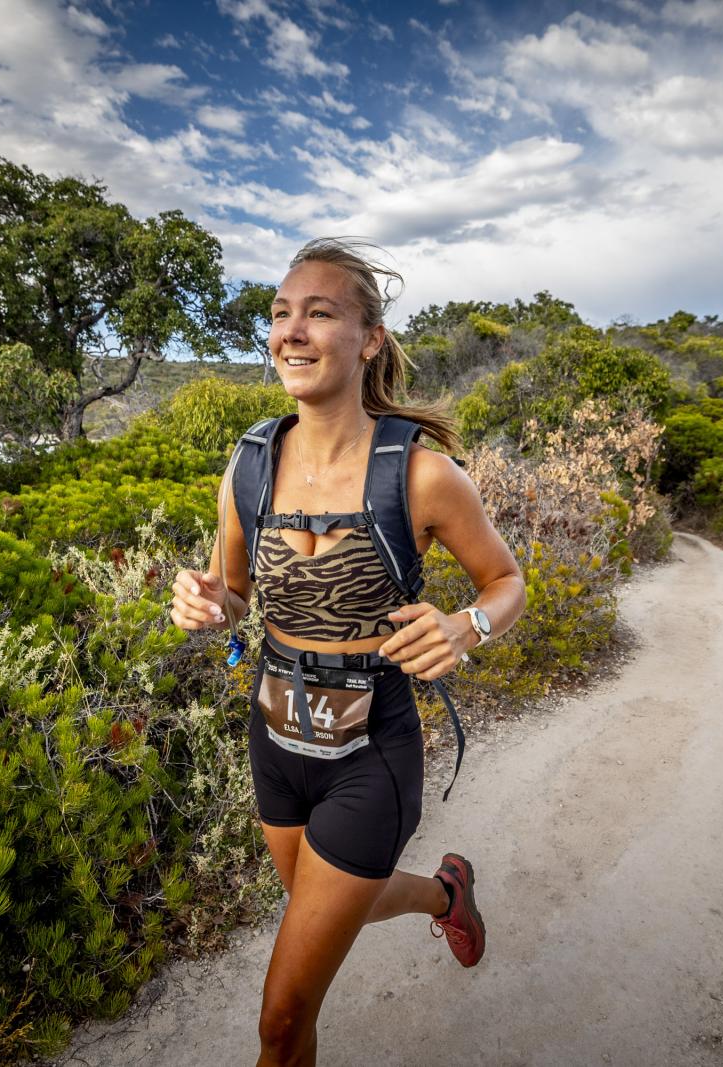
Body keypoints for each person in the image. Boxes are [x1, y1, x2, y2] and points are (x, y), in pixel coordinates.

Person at [170, 237, 525, 1066]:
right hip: (275, 735)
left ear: (369, 339)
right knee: (322, 908)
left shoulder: (422, 475)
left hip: (373, 749)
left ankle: (437, 894)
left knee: (281, 1021)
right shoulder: (249, 465)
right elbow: (234, 591)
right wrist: (207, 603)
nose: (291, 332)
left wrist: (467, 625)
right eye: (280, 314)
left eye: (319, 313)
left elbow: (506, 581)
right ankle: (445, 893)